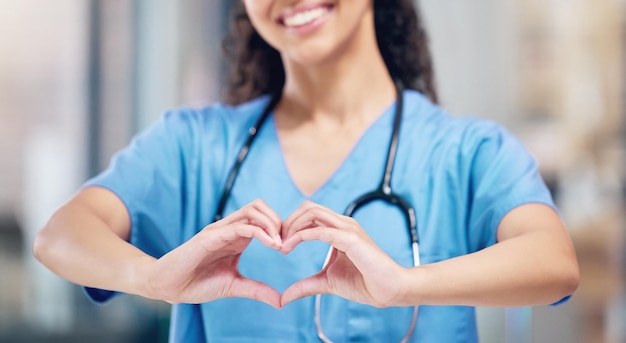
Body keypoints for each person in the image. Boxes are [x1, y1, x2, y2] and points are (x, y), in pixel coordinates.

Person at [33, 0, 580, 341]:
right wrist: (152, 279)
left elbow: (553, 260)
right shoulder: (193, 144)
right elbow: (61, 236)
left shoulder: (466, 151)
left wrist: (406, 284)